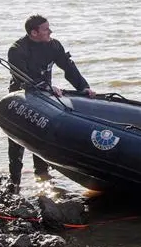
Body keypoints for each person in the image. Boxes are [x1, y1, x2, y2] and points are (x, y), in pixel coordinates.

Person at [7, 15, 95, 188]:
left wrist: (83, 87)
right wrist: (45, 86)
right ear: (34, 32)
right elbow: (22, 77)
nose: (50, 31)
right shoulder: (17, 50)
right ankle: (14, 181)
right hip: (22, 96)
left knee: (40, 137)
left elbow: (68, 67)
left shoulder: (53, 45)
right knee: (17, 141)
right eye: (46, 29)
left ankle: (42, 180)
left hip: (44, 97)